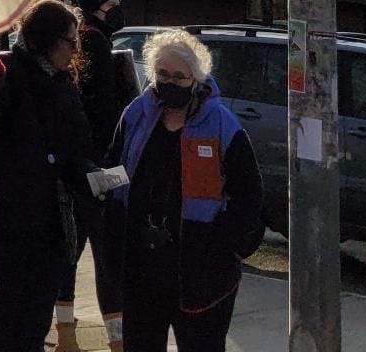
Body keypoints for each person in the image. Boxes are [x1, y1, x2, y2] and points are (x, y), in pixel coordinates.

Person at [101, 29, 263, 352]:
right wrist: (111, 236)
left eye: (179, 76)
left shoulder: (222, 125)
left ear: (196, 79)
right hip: (141, 270)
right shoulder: (136, 115)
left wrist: (226, 249)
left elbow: (249, 197)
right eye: (162, 74)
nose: (169, 82)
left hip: (201, 275)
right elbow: (113, 175)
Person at [0, 0, 100, 352]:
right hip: (7, 222)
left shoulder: (63, 85)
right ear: (45, 38)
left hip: (51, 224)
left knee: (34, 321)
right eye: (69, 42)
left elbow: (75, 148)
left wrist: (93, 177)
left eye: (77, 43)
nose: (75, 51)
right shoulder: (5, 76)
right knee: (1, 321)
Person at [55, 0, 137, 352]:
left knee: (70, 254)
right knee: (108, 258)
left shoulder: (78, 41)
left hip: (75, 167)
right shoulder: (97, 44)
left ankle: (66, 336)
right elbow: (104, 109)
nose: (118, 11)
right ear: (97, 7)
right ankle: (117, 342)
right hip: (99, 168)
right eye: (113, 5)